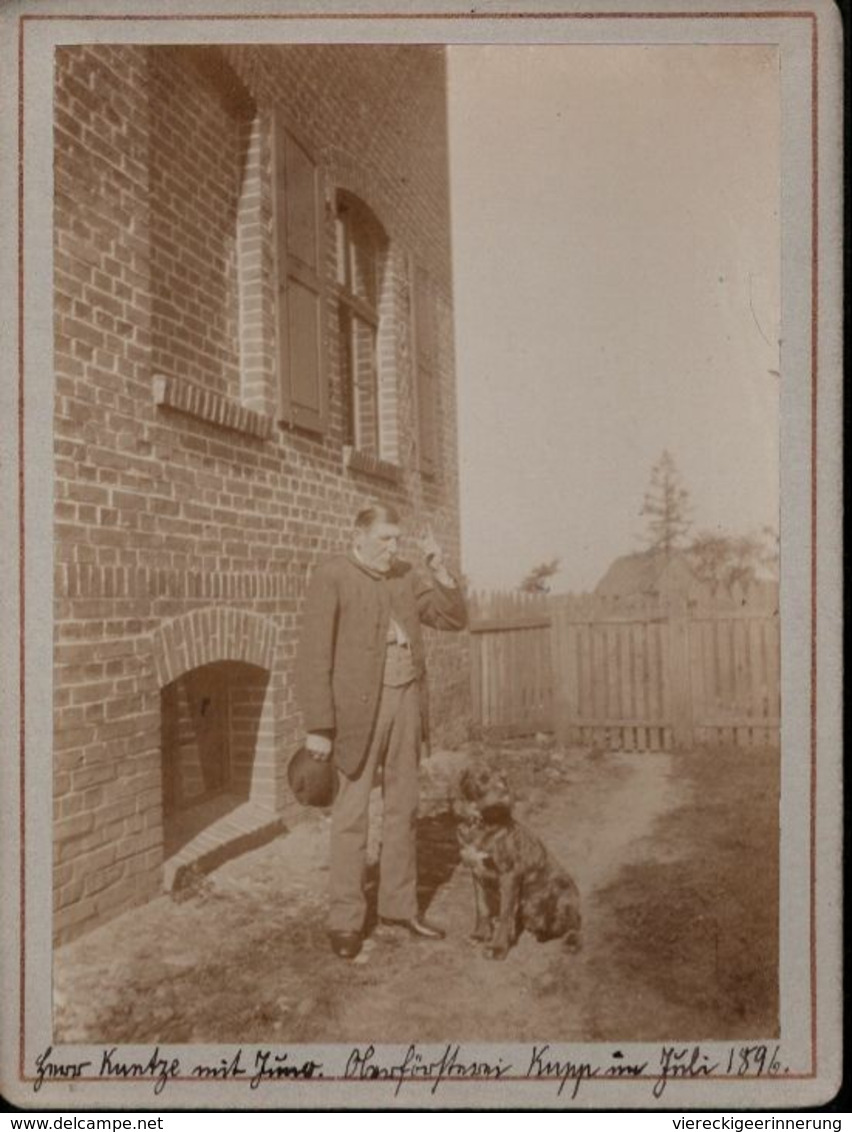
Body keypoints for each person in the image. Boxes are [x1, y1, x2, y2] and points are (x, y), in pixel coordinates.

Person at [296, 502, 468, 959]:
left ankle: (398, 906)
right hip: (356, 715)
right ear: (358, 535)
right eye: (384, 540)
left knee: (404, 807)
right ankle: (346, 920)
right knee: (351, 816)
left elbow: (453, 618)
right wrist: (319, 727)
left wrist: (438, 567)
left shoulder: (406, 576)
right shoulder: (332, 575)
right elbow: (313, 656)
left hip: (407, 702)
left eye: (397, 540)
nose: (392, 548)